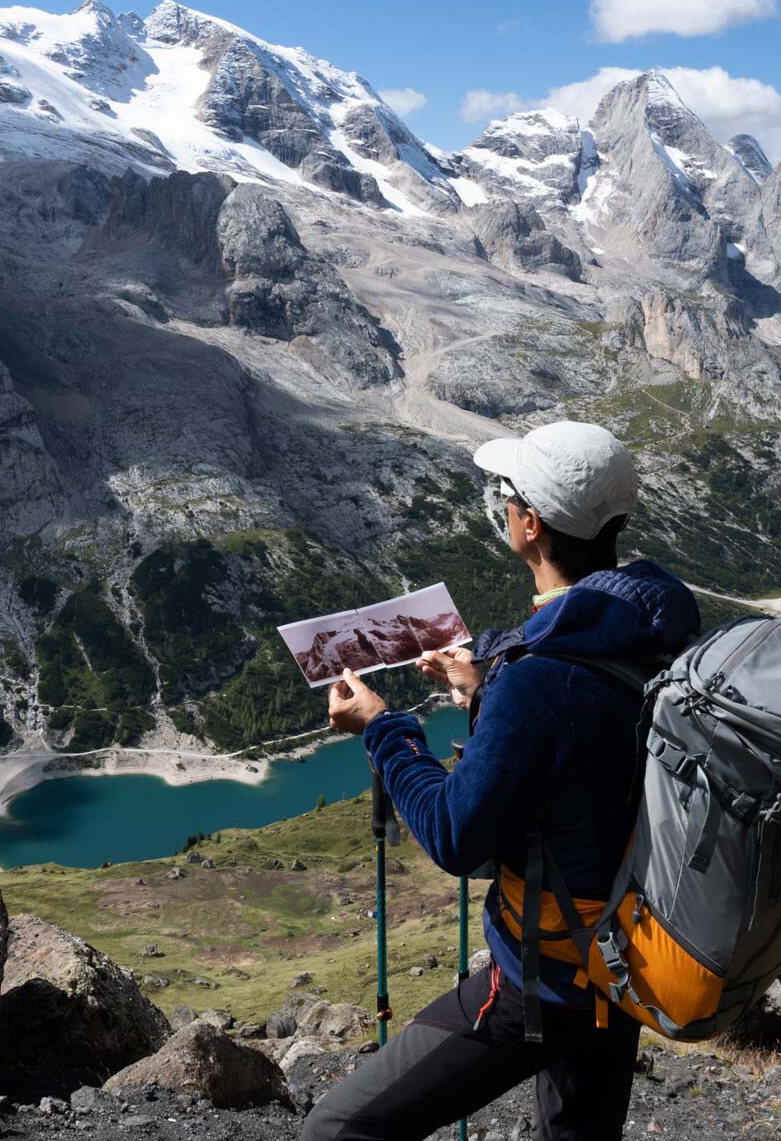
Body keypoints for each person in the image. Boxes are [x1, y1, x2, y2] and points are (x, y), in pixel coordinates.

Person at [302, 421, 700, 1141]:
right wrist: (488, 692)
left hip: (542, 976)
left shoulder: (544, 677)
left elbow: (456, 834)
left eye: (506, 496)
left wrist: (382, 727)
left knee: (336, 1130)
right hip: (624, 960)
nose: (501, 508)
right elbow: (592, 743)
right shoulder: (647, 626)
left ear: (530, 524)